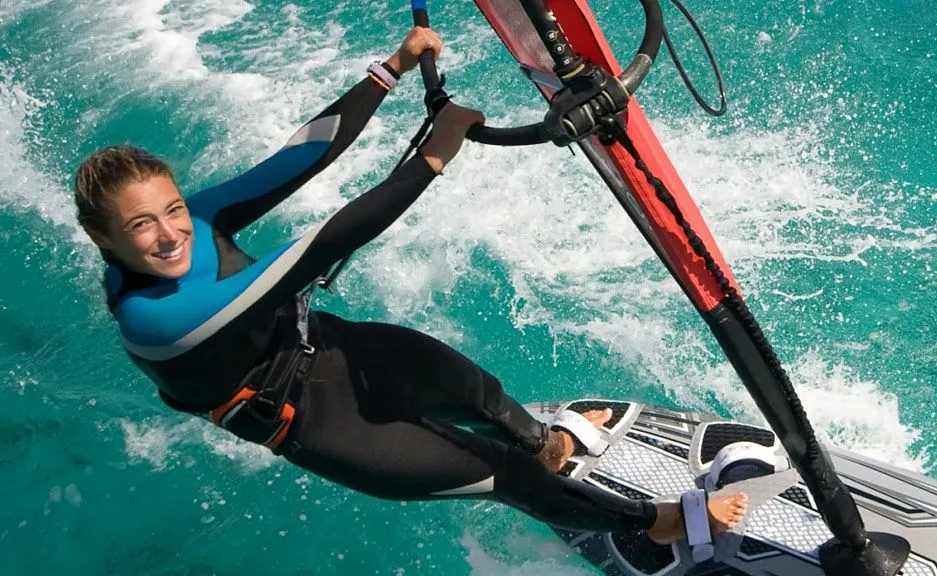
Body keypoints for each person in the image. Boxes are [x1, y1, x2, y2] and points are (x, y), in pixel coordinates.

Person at [72, 27, 745, 545]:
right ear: (107, 242)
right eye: (141, 227)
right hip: (322, 425)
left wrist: (390, 69)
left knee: (477, 390)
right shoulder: (158, 320)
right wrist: (433, 155)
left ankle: (552, 444)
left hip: (337, 350)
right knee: (501, 476)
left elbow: (301, 156)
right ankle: (655, 523)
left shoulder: (195, 216)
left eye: (170, 209)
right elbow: (321, 246)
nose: (169, 233)